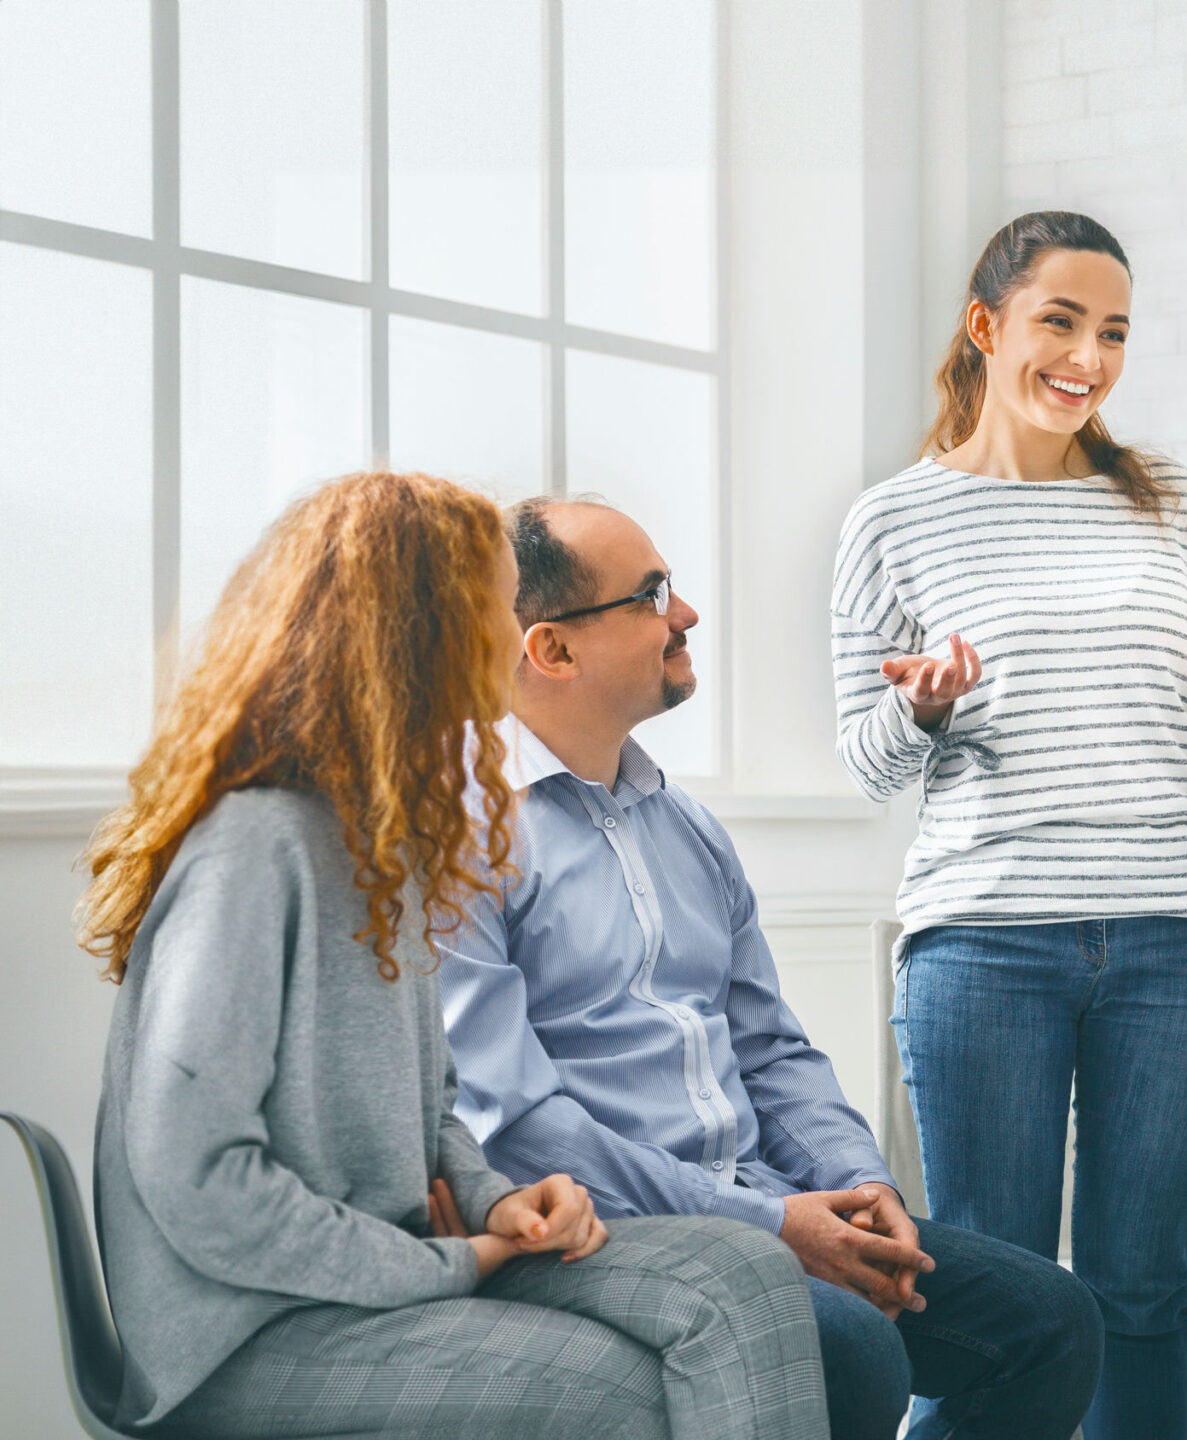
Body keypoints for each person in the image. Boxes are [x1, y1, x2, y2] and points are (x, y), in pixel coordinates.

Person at [77, 472, 826, 1440]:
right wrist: (454, 1262)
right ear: (417, 628)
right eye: (498, 602)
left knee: (746, 1276)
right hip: (250, 1332)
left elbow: (432, 1108)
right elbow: (202, 1181)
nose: (519, 629)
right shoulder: (256, 849)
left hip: (389, 1269)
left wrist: (500, 1201)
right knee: (616, 1390)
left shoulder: (386, 841)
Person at [437, 496, 1104, 1440]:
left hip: (763, 1200)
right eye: (653, 594)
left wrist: (862, 1185)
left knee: (1052, 1321)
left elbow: (772, 1050)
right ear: (552, 650)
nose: (688, 614)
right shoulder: (461, 840)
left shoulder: (688, 830)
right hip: (607, 1230)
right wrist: (772, 1228)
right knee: (850, 1346)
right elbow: (515, 1127)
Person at [831, 211, 1187, 1438]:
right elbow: (864, 758)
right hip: (984, 941)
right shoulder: (892, 521)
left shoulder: (1173, 504)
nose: (1088, 357)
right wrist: (930, 711)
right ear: (988, 326)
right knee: (995, 1289)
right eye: (1061, 321)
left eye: (1112, 332)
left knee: (1139, 1287)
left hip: (1180, 940)